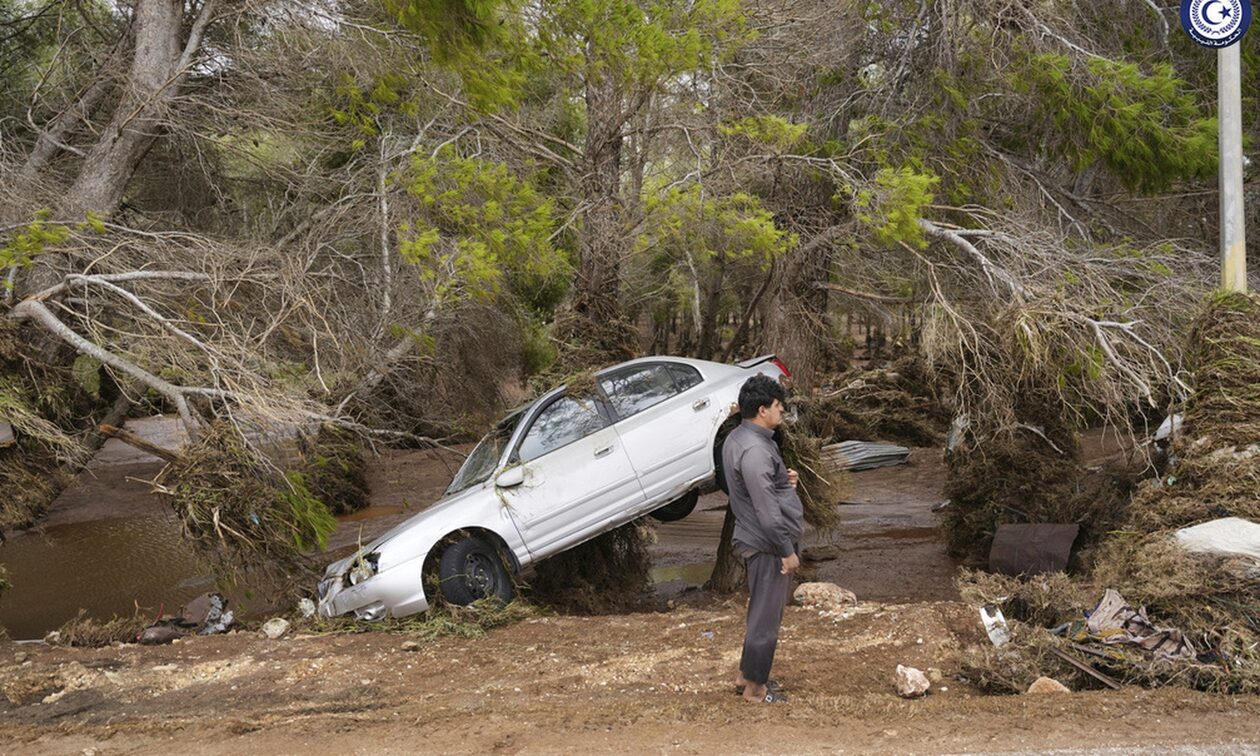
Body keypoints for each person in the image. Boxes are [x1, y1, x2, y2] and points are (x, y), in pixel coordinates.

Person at [722, 373, 801, 704]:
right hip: (767, 544)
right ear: (763, 409)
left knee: (760, 612)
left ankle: (745, 675)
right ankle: (756, 689)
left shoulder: (739, 438)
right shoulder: (755, 450)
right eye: (778, 405)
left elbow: (750, 486)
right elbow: (767, 511)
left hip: (757, 537)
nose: (781, 411)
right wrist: (787, 551)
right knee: (767, 618)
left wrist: (784, 479)